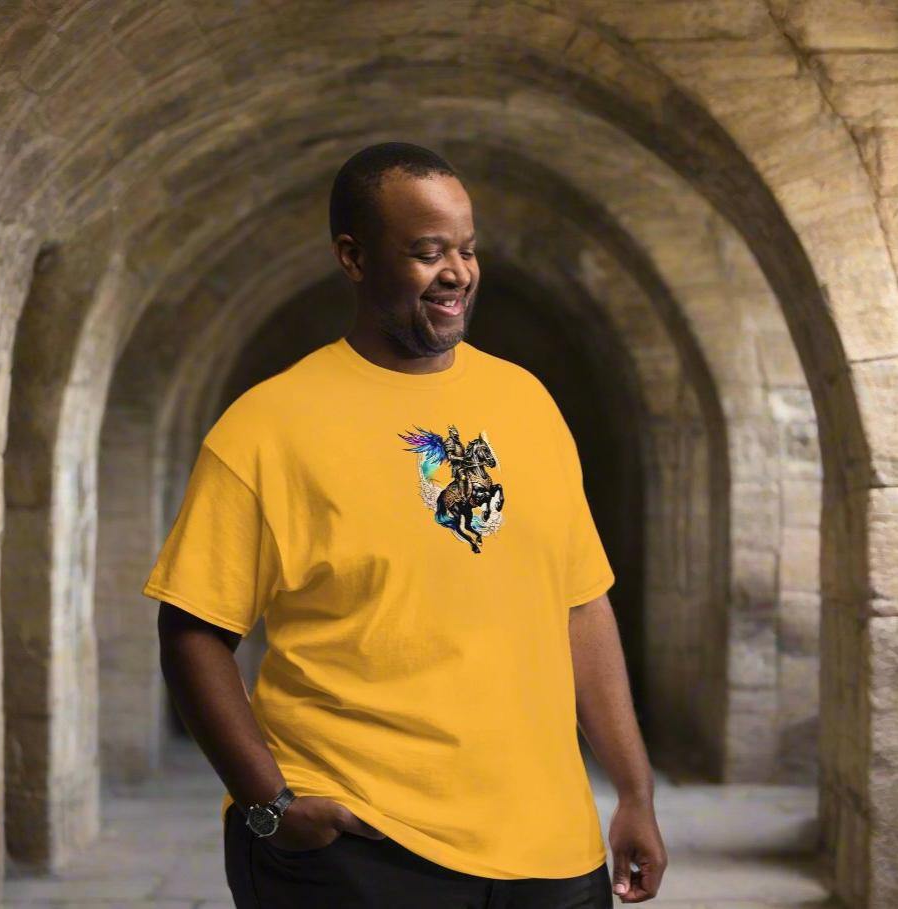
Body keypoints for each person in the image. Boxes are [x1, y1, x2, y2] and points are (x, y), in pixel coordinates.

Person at [144, 141, 667, 908]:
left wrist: (633, 790)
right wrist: (270, 804)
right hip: (359, 847)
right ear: (353, 257)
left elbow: (580, 605)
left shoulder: (527, 403)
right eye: (427, 252)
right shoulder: (267, 426)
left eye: (466, 249)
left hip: (549, 847)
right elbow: (192, 630)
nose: (456, 271)